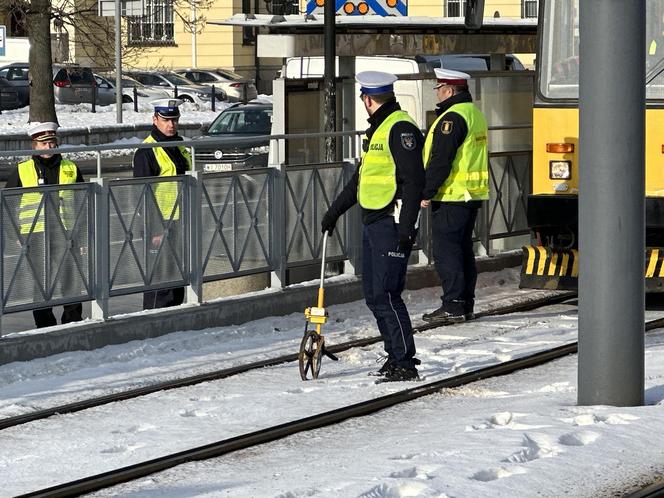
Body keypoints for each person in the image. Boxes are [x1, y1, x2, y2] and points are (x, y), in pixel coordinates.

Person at [321, 71, 425, 382]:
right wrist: (334, 212)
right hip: (373, 221)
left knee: (387, 294)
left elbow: (414, 181)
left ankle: (405, 362)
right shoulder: (379, 130)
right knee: (373, 295)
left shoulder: (400, 129)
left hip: (390, 224)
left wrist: (407, 228)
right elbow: (361, 180)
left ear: (367, 99)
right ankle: (394, 356)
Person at [420, 68, 489, 324]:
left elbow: (441, 159)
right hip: (470, 195)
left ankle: (453, 305)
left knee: (447, 252)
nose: (437, 94)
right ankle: (464, 304)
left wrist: (427, 190)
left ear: (448, 90)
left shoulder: (452, 118)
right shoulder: (474, 114)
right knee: (462, 250)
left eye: (438, 89)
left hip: (452, 194)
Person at [5, 122, 84, 328]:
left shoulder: (70, 167)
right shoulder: (22, 170)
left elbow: (84, 203)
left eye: (52, 142)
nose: (49, 147)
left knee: (71, 281)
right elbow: (7, 205)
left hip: (66, 233)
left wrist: (83, 236)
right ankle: (45, 326)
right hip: (35, 235)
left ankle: (72, 323)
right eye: (44, 143)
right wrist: (14, 234)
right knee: (41, 284)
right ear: (35, 146)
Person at [133, 99, 191, 310]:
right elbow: (142, 195)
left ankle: (173, 320)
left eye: (174, 120)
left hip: (180, 222)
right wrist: (155, 229)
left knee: (177, 278)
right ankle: (153, 320)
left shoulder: (180, 146)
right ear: (155, 119)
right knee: (159, 281)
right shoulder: (147, 151)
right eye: (166, 120)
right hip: (159, 224)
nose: (171, 125)